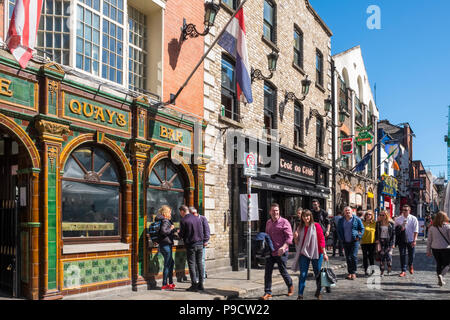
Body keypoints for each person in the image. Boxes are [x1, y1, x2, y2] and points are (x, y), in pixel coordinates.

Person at [260, 203, 294, 300]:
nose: (275, 212)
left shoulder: (285, 222)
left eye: (277, 210)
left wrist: (284, 247)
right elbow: (267, 235)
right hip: (271, 251)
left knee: (282, 271)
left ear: (279, 211)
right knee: (267, 272)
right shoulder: (268, 223)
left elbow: (289, 237)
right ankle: (267, 292)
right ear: (270, 212)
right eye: (273, 210)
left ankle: (290, 285)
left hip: (281, 251)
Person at [292, 209, 328, 300]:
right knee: (303, 274)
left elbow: (321, 240)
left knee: (317, 273)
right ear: (302, 217)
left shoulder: (316, 226)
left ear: (310, 216)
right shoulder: (300, 227)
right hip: (304, 253)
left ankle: (318, 292)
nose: (306, 218)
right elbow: (297, 243)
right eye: (304, 216)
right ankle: (300, 295)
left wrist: (324, 253)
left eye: (307, 216)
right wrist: (295, 237)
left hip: (316, 253)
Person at [179, 204, 204, 291]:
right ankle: (201, 284)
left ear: (182, 211)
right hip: (200, 244)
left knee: (192, 264)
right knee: (200, 263)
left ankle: (194, 285)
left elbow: (181, 234)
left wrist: (177, 233)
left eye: (180, 212)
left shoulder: (183, 220)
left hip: (191, 245)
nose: (180, 214)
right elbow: (201, 230)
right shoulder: (197, 218)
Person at [337, 206, 365, 280]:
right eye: (346, 211)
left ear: (352, 211)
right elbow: (339, 230)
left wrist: (359, 236)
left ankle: (353, 272)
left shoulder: (357, 219)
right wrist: (341, 239)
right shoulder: (341, 220)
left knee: (353, 256)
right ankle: (349, 272)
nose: (347, 212)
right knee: (348, 257)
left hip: (354, 241)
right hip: (345, 241)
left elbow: (362, 229)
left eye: (348, 210)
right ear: (344, 212)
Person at [155, 205, 177, 290]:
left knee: (171, 263)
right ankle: (165, 284)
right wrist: (171, 229)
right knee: (167, 264)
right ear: (166, 212)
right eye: (170, 212)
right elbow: (164, 231)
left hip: (165, 245)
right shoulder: (165, 220)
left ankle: (170, 282)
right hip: (166, 245)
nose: (171, 213)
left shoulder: (163, 220)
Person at [426, 211, 450, 286]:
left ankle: (440, 277)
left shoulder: (432, 228)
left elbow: (429, 240)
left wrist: (428, 250)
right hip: (446, 248)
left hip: (435, 248)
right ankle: (441, 275)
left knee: (439, 263)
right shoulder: (447, 227)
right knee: (447, 264)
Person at [395, 204, 419, 277]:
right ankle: (403, 270)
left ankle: (410, 264)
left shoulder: (413, 218)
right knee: (402, 255)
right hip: (402, 240)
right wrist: (401, 227)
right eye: (403, 210)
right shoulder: (398, 219)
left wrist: (414, 240)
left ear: (409, 210)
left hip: (411, 239)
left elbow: (416, 230)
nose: (404, 211)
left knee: (411, 255)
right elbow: (395, 230)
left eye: (406, 210)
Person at [190, 206, 210, 283]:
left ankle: (202, 278)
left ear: (194, 213)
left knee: (201, 261)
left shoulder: (202, 218)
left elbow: (207, 230)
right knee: (195, 262)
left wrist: (206, 240)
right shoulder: (192, 219)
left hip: (202, 243)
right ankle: (197, 277)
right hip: (194, 243)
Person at [375, 210, 396, 276]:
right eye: (380, 215)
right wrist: (376, 240)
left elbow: (393, 234)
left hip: (389, 242)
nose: (381, 216)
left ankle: (389, 269)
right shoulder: (378, 223)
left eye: (383, 215)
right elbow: (376, 232)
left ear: (386, 215)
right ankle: (382, 271)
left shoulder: (391, 223)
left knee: (388, 256)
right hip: (381, 242)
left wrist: (393, 243)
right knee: (382, 256)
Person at [361, 210, 376, 276]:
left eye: (369, 214)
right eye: (367, 214)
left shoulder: (375, 223)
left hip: (372, 242)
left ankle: (372, 270)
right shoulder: (362, 223)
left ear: (372, 215)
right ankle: (366, 270)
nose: (368, 215)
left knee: (371, 256)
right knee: (365, 256)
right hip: (364, 242)